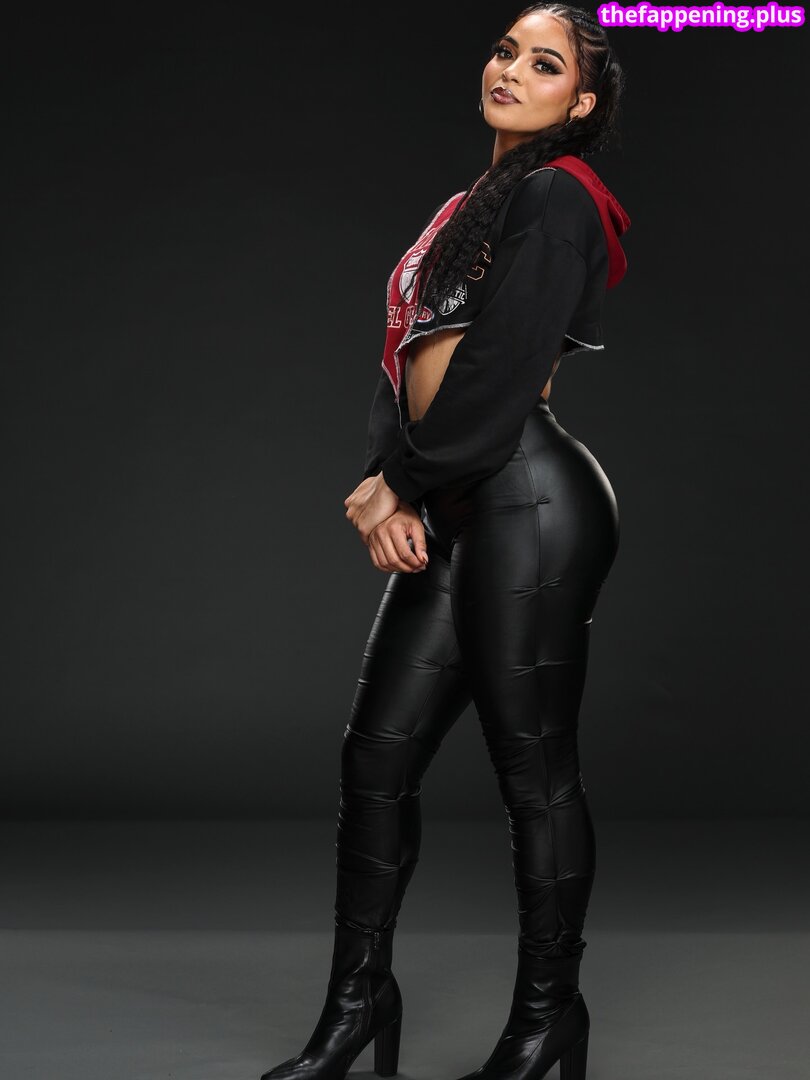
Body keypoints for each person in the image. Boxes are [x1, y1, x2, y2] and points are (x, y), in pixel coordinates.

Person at [260, 5, 631, 1080]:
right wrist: (390, 481)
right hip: (454, 494)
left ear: (580, 102)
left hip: (529, 499)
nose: (512, 69)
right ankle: (357, 1004)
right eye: (507, 49)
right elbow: (405, 359)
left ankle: (547, 1020)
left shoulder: (560, 194)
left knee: (534, 773)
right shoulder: (468, 205)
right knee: (375, 756)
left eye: (545, 63)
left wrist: (402, 484)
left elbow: (502, 368)